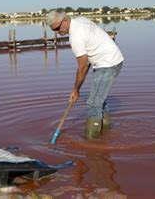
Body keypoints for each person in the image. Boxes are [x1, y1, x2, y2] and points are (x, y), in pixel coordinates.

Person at [46, 10, 124, 139]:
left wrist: (75, 90)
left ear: (65, 21)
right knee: (99, 100)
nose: (58, 33)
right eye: (54, 30)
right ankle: (106, 129)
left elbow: (82, 67)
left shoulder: (76, 37)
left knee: (93, 104)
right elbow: (87, 57)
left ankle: (91, 140)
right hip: (111, 59)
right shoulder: (80, 20)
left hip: (107, 64)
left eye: (58, 28)